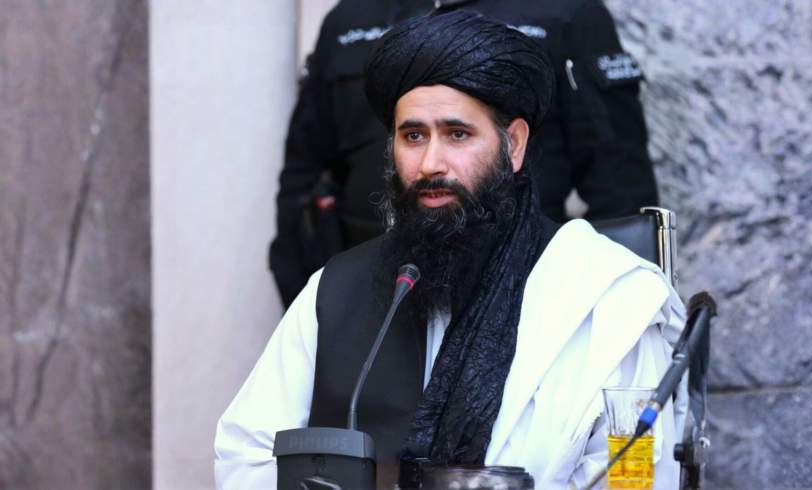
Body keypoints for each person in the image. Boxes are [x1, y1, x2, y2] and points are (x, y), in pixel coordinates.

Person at [217, 11, 684, 490]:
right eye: (413, 136)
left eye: (457, 134)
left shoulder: (605, 300)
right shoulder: (336, 290)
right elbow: (247, 454)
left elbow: (637, 478)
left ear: (514, 144)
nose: (430, 163)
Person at [269, 0, 660, 306]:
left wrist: (587, 305)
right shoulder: (350, 18)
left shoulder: (565, 12)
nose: (431, 161)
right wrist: (314, 301)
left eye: (457, 134)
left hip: (522, 291)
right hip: (372, 293)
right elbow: (303, 173)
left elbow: (621, 185)